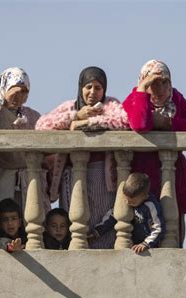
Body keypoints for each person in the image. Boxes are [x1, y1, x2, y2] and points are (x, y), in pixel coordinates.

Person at [35, 66, 129, 249]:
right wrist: (75, 116)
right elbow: (41, 125)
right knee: (76, 224)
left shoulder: (110, 105)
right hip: (73, 175)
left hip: (102, 176)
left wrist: (88, 122)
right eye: (88, 87)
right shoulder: (70, 106)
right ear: (80, 88)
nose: (92, 92)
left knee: (103, 222)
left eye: (98, 87)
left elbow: (124, 121)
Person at [122, 59, 186, 246]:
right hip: (144, 181)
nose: (158, 89)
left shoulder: (177, 100)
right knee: (142, 241)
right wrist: (142, 90)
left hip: (172, 179)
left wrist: (168, 123)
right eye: (152, 84)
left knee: (171, 238)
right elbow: (139, 124)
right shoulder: (134, 99)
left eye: (164, 83)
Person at [0, 67, 50, 215]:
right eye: (15, 91)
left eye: (24, 92)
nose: (19, 97)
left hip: (29, 181)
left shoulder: (33, 116)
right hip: (3, 180)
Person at [88, 173, 165, 254]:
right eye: (126, 199)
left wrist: (146, 244)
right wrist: (98, 231)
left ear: (144, 197)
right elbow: (114, 215)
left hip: (147, 248)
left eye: (132, 202)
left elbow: (158, 228)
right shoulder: (128, 202)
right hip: (131, 244)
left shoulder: (150, 205)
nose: (127, 203)